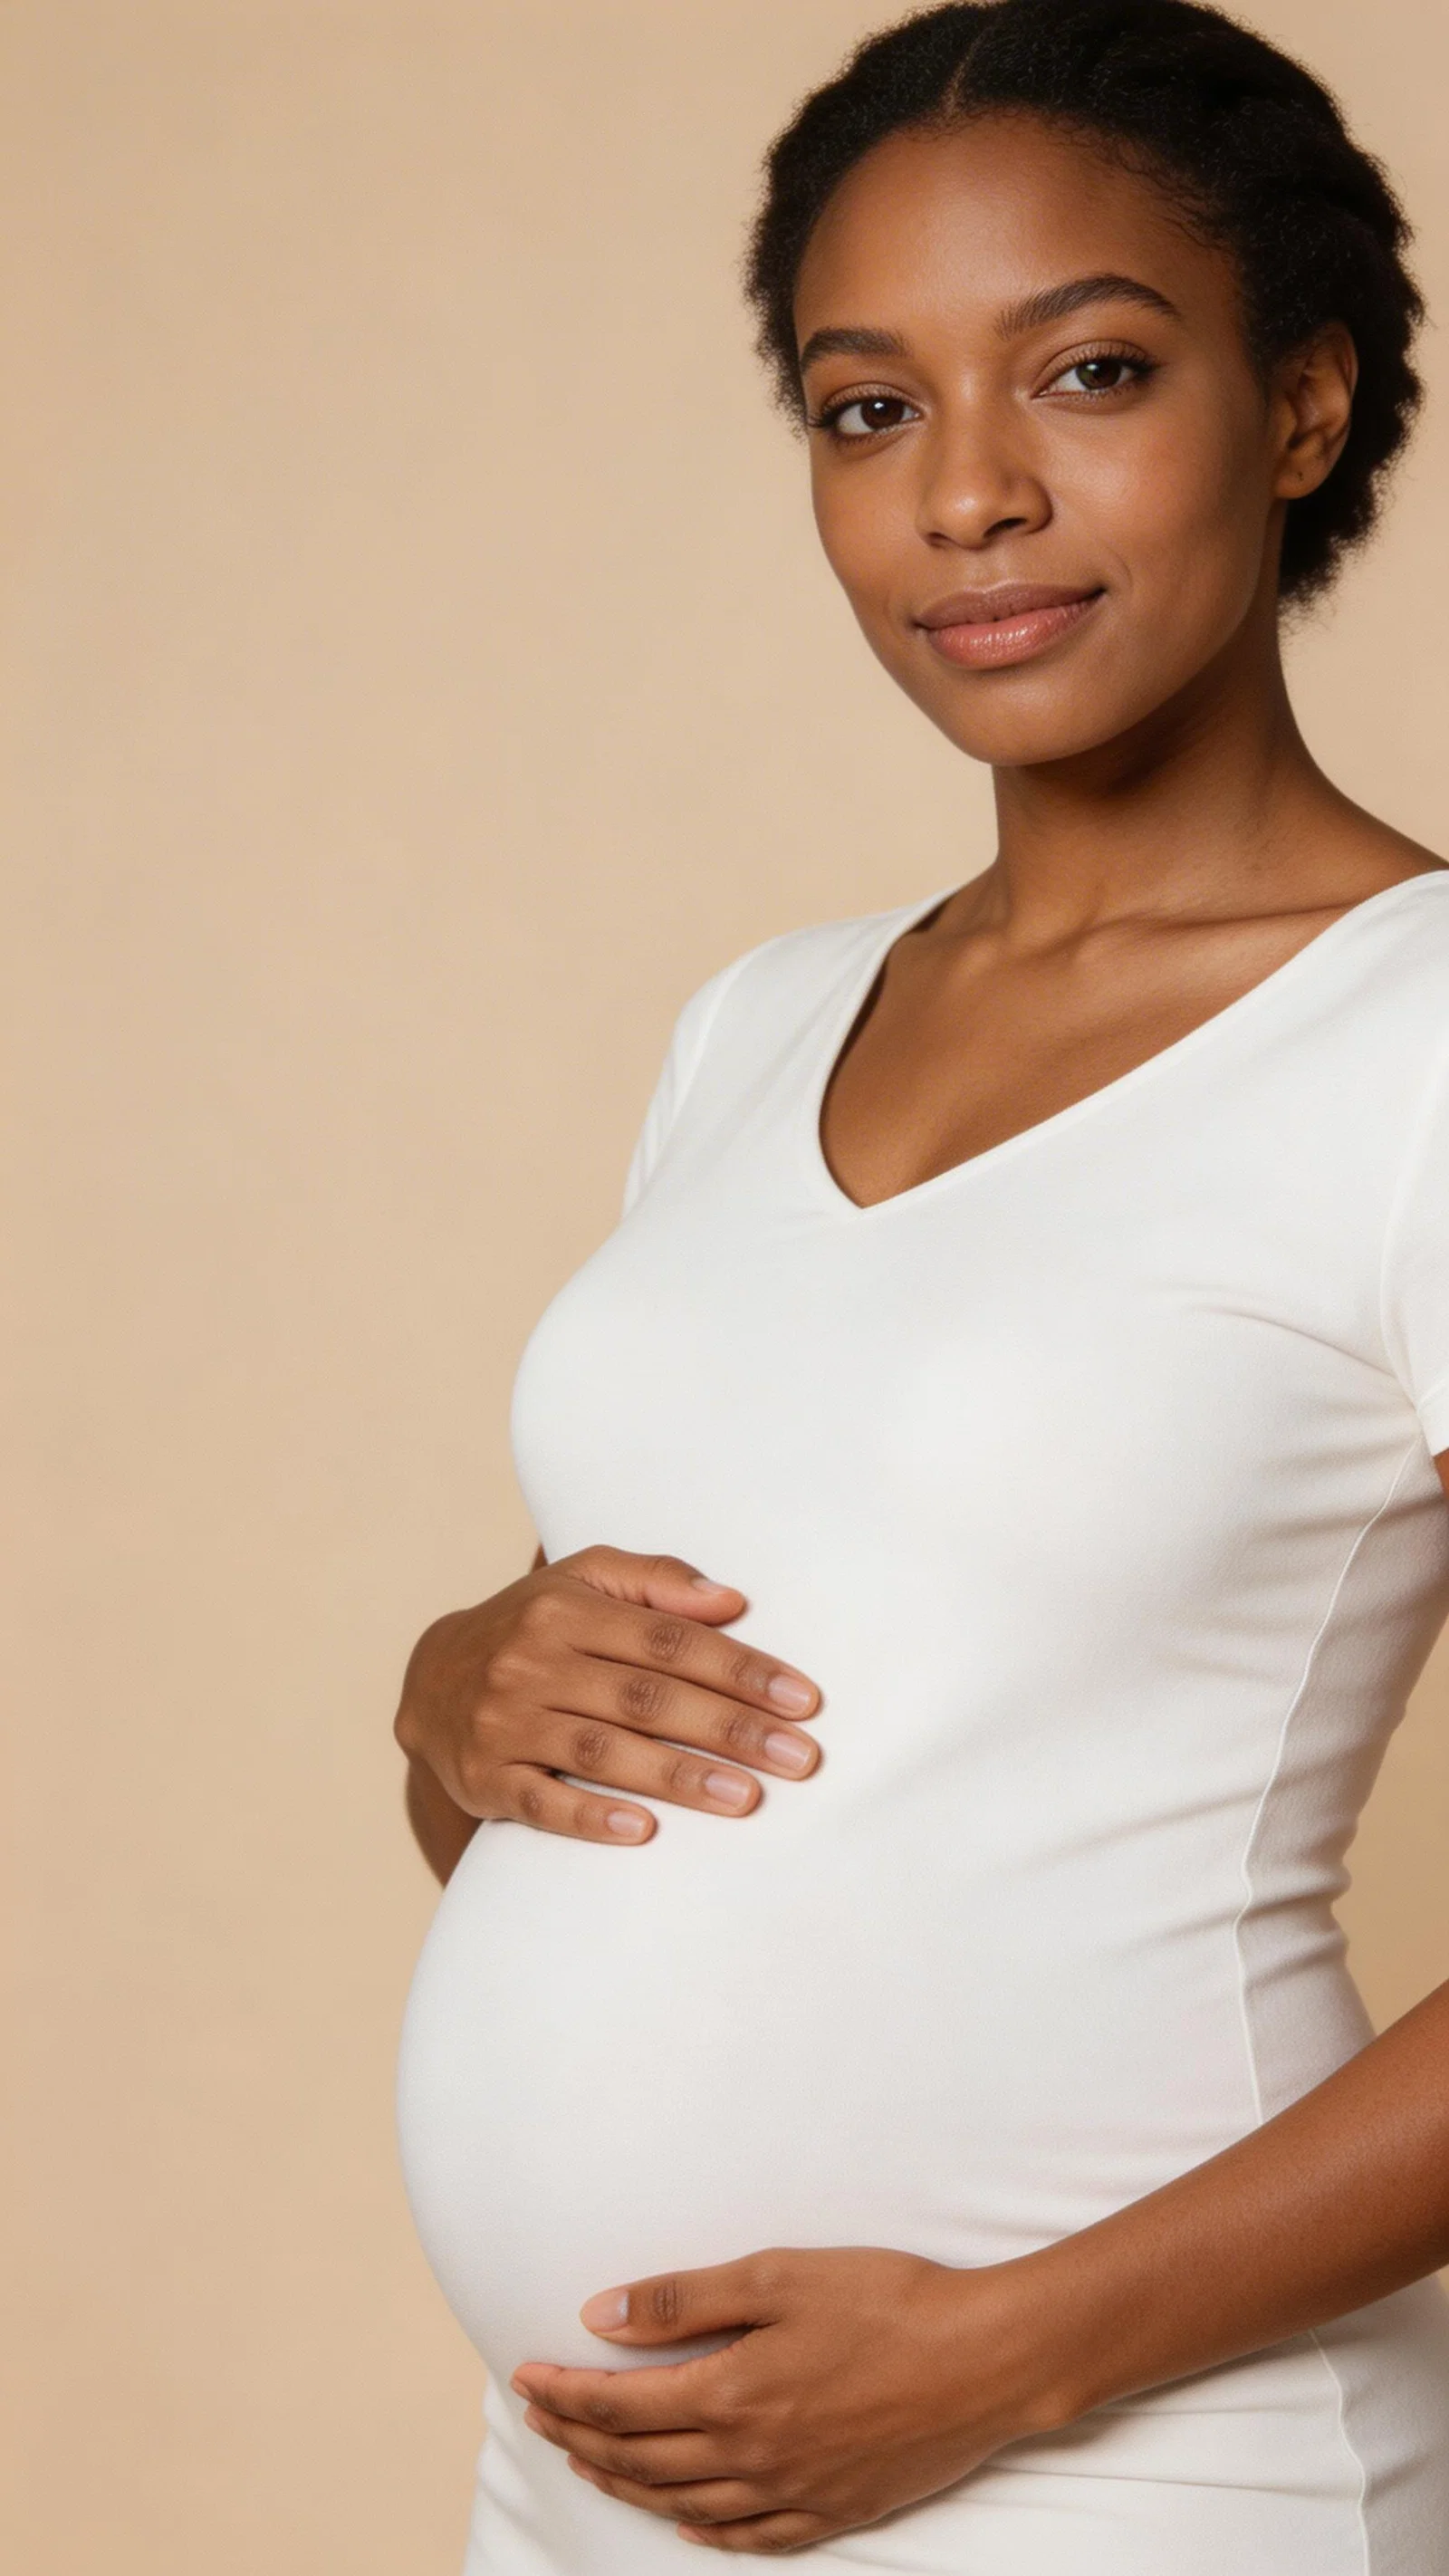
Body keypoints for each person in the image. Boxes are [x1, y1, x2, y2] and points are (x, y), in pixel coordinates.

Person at [391, 3, 1449, 2567]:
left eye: (1089, 370)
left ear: (1299, 407)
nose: (973, 494)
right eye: (869, 411)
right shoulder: (760, 1022)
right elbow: (708, 1758)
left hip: (1132, 2460)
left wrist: (1015, 2349)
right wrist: (446, 1696)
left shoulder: (1420, 1040)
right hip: (592, 2482)